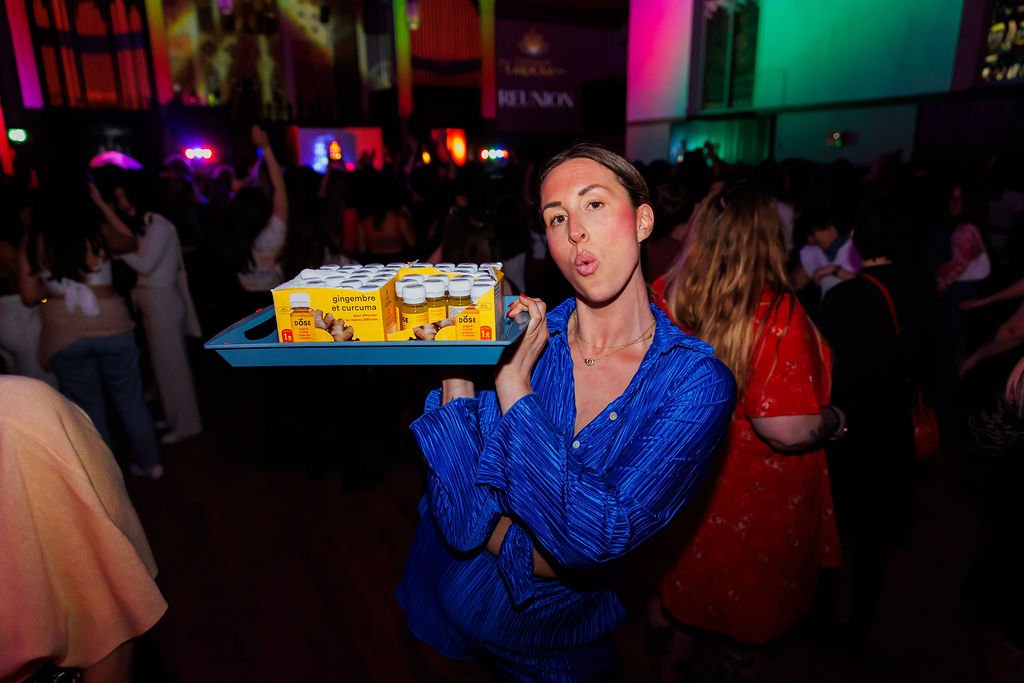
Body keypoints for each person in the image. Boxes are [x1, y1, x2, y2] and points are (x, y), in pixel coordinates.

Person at [397, 143, 736, 681]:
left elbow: (591, 543)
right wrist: (457, 365)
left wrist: (513, 386)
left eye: (594, 204)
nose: (575, 229)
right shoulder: (518, 334)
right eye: (557, 218)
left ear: (643, 220)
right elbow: (461, 522)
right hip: (448, 614)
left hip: (555, 650)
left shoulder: (693, 384)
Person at [651, 182, 844, 680]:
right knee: (743, 627)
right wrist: (833, 420)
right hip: (751, 501)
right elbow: (784, 429)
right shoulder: (774, 316)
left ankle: (673, 654)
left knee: (687, 603)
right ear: (766, 236)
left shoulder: (665, 294)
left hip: (684, 486)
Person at [0, 376, 167, 682]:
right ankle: (150, 462)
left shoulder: (19, 413)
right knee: (122, 399)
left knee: (100, 401)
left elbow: (109, 619)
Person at [816, 201, 916, 656]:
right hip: (896, 428)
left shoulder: (844, 297)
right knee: (874, 545)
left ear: (856, 238)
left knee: (835, 526)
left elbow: (825, 369)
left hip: (849, 429)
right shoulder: (923, 291)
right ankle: (861, 629)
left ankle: (821, 618)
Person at [17, 187, 163, 479]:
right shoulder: (98, 232)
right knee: (130, 398)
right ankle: (152, 464)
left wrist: (54, 292)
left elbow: (30, 296)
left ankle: (107, 478)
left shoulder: (34, 241)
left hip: (64, 328)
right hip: (112, 322)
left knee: (88, 409)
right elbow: (132, 241)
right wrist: (102, 205)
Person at [91, 171, 203, 445]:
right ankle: (173, 416)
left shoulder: (160, 226)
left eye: (124, 197)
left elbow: (145, 264)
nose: (122, 203)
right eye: (117, 199)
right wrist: (103, 208)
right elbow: (126, 234)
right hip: (153, 302)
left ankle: (187, 424)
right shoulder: (147, 224)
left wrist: (114, 247)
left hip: (163, 302)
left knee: (173, 366)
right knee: (162, 365)